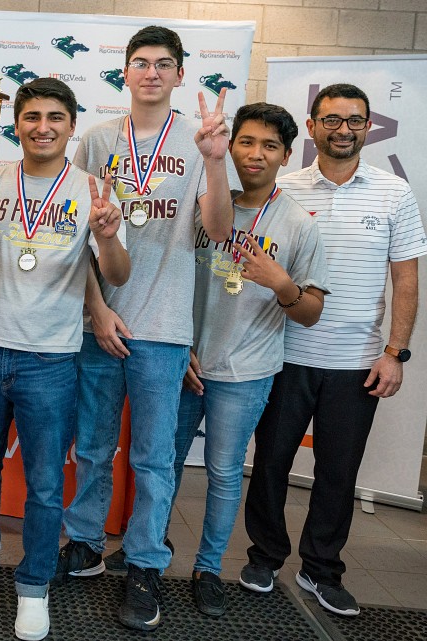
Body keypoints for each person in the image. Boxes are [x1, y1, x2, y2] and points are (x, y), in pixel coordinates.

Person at [57, 25, 235, 631]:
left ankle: (143, 564)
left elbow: (216, 230)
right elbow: (71, 235)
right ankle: (83, 544)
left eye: (164, 63)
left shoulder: (202, 139)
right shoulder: (97, 140)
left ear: (181, 74)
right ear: (124, 73)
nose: (151, 72)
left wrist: (215, 165)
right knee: (95, 447)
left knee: (155, 458)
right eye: (140, 62)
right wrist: (97, 309)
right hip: (98, 322)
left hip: (162, 326)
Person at [0, 78, 129, 641]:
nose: (42, 126)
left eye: (55, 117)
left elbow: (116, 275)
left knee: (45, 483)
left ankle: (34, 583)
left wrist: (110, 236)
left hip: (50, 358)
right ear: (16, 124)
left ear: (72, 126)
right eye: (31, 117)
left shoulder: (93, 190)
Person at [243, 83, 425, 617]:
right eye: (332, 119)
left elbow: (406, 278)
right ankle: (264, 557)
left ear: (369, 127)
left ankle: (321, 569)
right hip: (283, 353)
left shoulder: (394, 192)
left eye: (354, 120)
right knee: (271, 463)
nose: (343, 129)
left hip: (357, 363)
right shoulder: (284, 187)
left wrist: (396, 351)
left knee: (337, 473)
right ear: (313, 125)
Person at [170, 103, 329, 617]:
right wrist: (179, 344)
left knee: (220, 473)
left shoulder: (299, 224)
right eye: (246, 142)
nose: (255, 154)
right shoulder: (203, 203)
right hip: (184, 361)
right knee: (161, 465)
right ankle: (147, 550)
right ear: (230, 145)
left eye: (269, 146)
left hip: (245, 372)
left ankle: (208, 568)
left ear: (286, 154)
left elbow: (310, 312)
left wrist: (282, 283)